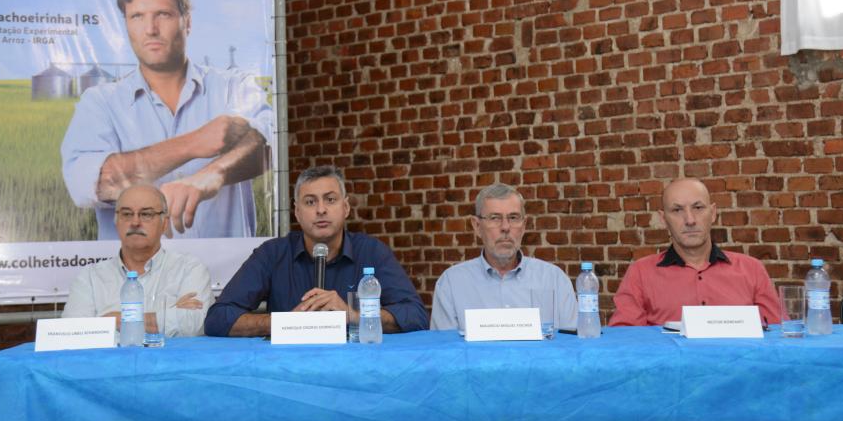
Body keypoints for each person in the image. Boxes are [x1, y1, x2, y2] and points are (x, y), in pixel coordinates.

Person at [61, 0, 273, 240]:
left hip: (229, 275)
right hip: (136, 278)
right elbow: (94, 183)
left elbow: (268, 142)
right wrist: (195, 143)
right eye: (137, 16)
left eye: (163, 14)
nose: (150, 29)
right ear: (126, 25)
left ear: (187, 22)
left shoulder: (234, 86)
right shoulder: (100, 103)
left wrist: (211, 175)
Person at [205, 165, 428, 337]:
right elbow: (218, 318)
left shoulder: (372, 252)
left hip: (356, 367)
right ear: (297, 212)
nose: (321, 210)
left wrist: (353, 316)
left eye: (330, 200)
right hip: (288, 370)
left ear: (346, 207)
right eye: (310, 202)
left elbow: (416, 315)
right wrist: (287, 322)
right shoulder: (272, 254)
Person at [610, 177, 782, 326]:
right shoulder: (640, 273)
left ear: (713, 213)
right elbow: (625, 341)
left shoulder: (752, 270)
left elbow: (777, 335)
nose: (690, 220)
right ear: (663, 219)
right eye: (677, 210)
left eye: (698, 208)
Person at [62, 184, 213, 337]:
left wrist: (118, 320)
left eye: (146, 214)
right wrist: (169, 314)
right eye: (127, 214)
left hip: (171, 361)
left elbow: (196, 324)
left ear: (165, 223)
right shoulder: (90, 278)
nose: (135, 222)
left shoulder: (189, 269)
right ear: (117, 222)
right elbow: (74, 333)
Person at [430, 183, 577, 331]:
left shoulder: (554, 280)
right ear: (477, 226)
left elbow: (572, 347)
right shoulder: (451, 284)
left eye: (513, 217)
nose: (505, 227)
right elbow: (444, 350)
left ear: (524, 225)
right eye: (495, 218)